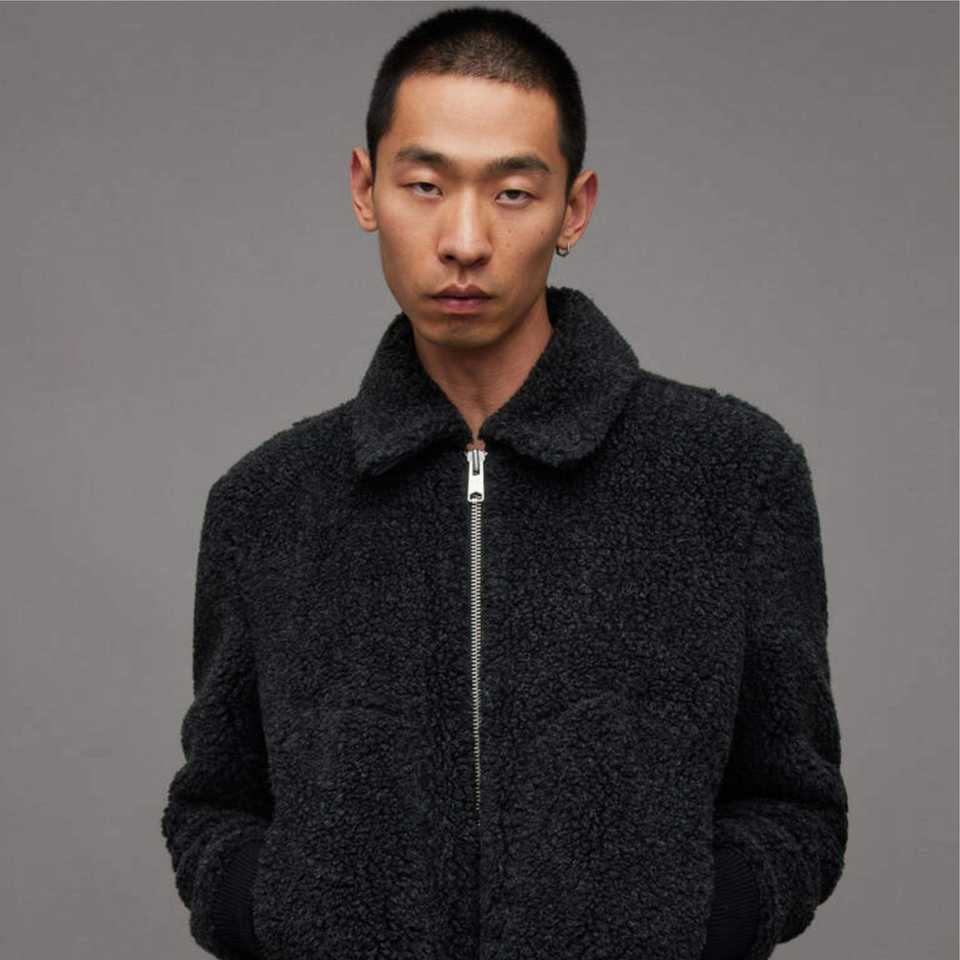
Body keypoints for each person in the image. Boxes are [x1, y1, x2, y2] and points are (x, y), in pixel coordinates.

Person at [160, 7, 849, 960]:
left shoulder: (730, 474)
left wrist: (691, 925)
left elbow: (796, 806)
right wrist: (282, 913)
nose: (465, 239)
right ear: (365, 189)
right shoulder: (267, 504)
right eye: (425, 185)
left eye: (514, 192)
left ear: (575, 207)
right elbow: (213, 808)